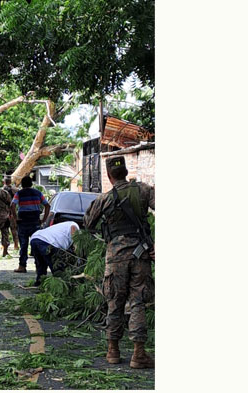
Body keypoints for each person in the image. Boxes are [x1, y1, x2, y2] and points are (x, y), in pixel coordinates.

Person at [83, 156, 155, 369]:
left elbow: (87, 224)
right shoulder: (143, 190)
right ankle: (138, 354)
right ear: (125, 171)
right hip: (140, 255)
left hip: (115, 258)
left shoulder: (104, 199)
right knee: (137, 302)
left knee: (114, 302)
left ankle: (113, 350)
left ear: (108, 175)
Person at [10, 176, 50, 273]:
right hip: (35, 222)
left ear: (22, 184)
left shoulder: (19, 194)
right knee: (36, 244)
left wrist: (15, 218)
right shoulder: (38, 193)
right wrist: (44, 219)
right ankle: (38, 266)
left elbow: (12, 205)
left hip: (23, 222)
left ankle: (22, 266)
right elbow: (47, 205)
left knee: (23, 245)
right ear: (31, 184)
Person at [28, 221, 78, 286]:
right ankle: (59, 286)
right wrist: (76, 247)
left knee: (41, 265)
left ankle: (39, 283)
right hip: (49, 242)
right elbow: (73, 229)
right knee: (56, 267)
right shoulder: (74, 226)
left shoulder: (63, 227)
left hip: (35, 238)